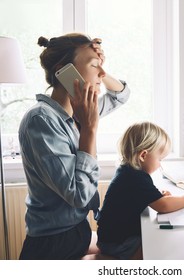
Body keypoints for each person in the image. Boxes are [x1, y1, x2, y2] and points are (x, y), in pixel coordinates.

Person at [18, 33, 130, 260]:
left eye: (102, 67)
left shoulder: (78, 111)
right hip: (54, 244)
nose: (101, 74)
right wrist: (89, 129)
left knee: (136, 245)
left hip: (76, 231)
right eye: (94, 66)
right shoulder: (42, 120)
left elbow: (121, 95)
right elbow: (79, 195)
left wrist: (101, 68)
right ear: (64, 70)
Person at [96, 121, 184, 260]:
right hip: (118, 244)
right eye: (160, 159)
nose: (160, 165)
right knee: (163, 245)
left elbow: (150, 198)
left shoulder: (127, 171)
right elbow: (163, 206)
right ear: (143, 155)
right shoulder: (136, 177)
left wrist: (159, 197)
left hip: (109, 238)